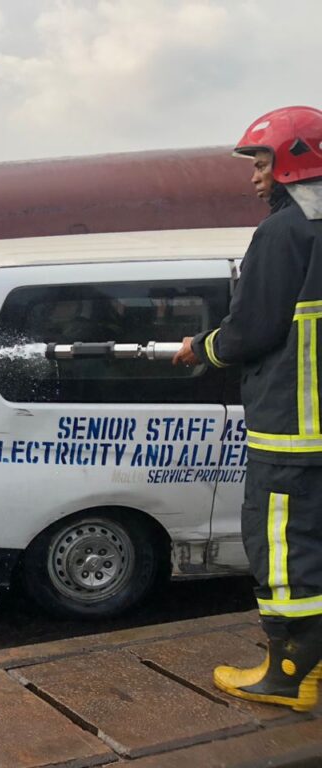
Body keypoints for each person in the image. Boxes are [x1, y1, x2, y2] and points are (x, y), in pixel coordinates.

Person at [174, 106, 322, 711]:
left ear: (292, 161)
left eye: (261, 162)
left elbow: (252, 331)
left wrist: (201, 348)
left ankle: (290, 674)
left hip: (293, 431)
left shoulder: (284, 233)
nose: (254, 176)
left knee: (284, 550)